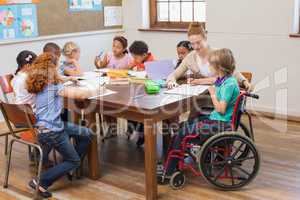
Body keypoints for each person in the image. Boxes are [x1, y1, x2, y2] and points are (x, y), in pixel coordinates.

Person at [158, 48, 240, 182]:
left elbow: (221, 109)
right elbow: (213, 80)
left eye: (211, 65)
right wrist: (199, 82)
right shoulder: (225, 79)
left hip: (220, 124)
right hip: (218, 121)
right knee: (183, 126)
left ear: (218, 67)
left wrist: (212, 93)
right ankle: (172, 163)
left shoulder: (228, 85)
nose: (209, 67)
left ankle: (169, 170)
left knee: (182, 132)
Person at [26, 53, 95, 198]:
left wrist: (68, 78)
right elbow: (81, 95)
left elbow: (59, 80)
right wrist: (93, 89)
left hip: (44, 128)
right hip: (52, 131)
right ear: (52, 68)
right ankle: (41, 182)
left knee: (88, 133)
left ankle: (66, 167)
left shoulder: (40, 82)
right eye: (57, 66)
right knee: (74, 160)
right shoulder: (54, 86)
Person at [167, 22, 251, 90]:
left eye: (198, 42)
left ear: (205, 37)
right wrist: (171, 82)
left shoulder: (218, 54)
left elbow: (232, 73)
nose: (195, 47)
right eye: (192, 44)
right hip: (201, 96)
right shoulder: (190, 58)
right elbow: (174, 74)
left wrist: (244, 81)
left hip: (220, 97)